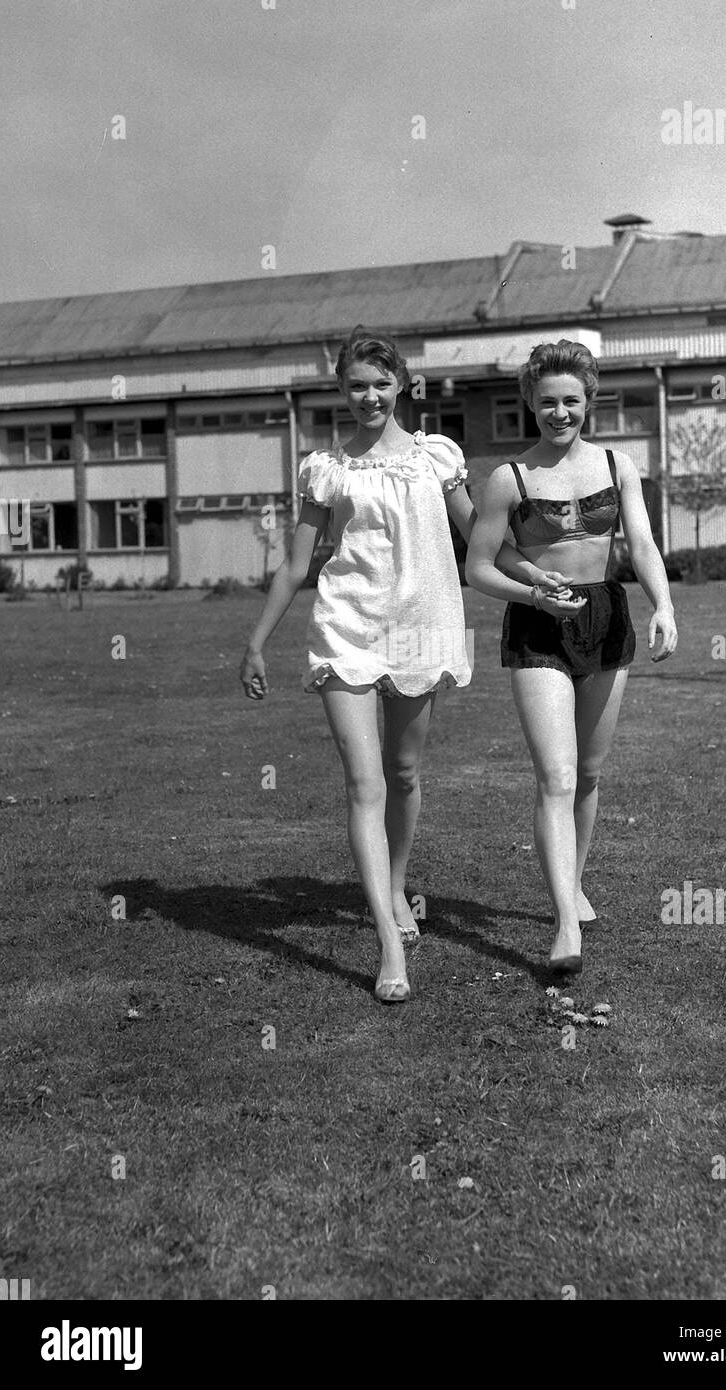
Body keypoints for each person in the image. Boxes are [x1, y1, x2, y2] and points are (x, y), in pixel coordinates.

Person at [239, 326, 557, 1003]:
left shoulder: (435, 456)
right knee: (363, 785)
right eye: (356, 384)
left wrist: (533, 578)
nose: (369, 396)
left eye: (381, 384)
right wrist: (257, 642)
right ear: (341, 389)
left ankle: (391, 886)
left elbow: (478, 533)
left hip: (419, 627)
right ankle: (388, 938)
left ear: (401, 386)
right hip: (346, 627)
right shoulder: (325, 469)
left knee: (404, 772)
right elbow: (298, 563)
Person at [466, 339, 678, 976]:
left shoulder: (619, 466)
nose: (561, 413)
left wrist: (663, 606)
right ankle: (563, 924)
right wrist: (534, 591)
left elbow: (639, 544)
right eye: (549, 401)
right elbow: (477, 566)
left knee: (588, 775)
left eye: (573, 401)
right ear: (530, 401)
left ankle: (575, 884)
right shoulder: (509, 478)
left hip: (607, 619)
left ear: (590, 401)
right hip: (538, 626)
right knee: (555, 777)